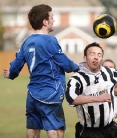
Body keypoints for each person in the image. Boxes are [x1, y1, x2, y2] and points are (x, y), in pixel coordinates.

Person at [3, 4, 79, 138]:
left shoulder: (26, 42)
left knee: (33, 128)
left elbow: (16, 65)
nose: (53, 20)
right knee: (56, 128)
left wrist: (11, 74)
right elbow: (65, 64)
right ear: (45, 22)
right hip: (50, 91)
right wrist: (79, 68)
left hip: (32, 94)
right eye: (52, 17)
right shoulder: (50, 40)